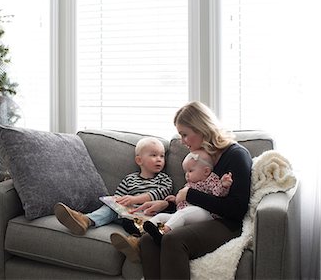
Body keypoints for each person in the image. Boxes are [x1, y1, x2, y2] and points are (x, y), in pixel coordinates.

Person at [110, 101, 252, 279]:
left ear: (201, 128)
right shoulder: (198, 158)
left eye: (185, 134)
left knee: (172, 239)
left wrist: (190, 194)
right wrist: (166, 204)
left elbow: (236, 209)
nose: (182, 141)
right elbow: (189, 203)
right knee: (147, 238)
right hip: (197, 217)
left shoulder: (236, 155)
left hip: (225, 223)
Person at [54, 137, 174, 242]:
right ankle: (86, 220)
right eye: (154, 155)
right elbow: (118, 198)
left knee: (151, 224)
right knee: (111, 207)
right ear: (139, 160)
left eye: (162, 156)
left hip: (150, 216)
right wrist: (117, 202)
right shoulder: (129, 179)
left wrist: (134, 199)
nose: (159, 159)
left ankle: (135, 242)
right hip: (129, 215)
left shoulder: (164, 179)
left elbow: (161, 193)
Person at [141, 148, 233, 246]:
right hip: (187, 213)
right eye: (185, 172)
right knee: (161, 216)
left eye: (190, 171)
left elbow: (218, 193)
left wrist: (224, 185)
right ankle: (141, 229)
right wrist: (175, 199)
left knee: (182, 214)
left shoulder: (210, 180)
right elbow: (183, 199)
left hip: (207, 214)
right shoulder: (190, 183)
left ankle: (163, 233)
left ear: (206, 171)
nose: (187, 175)